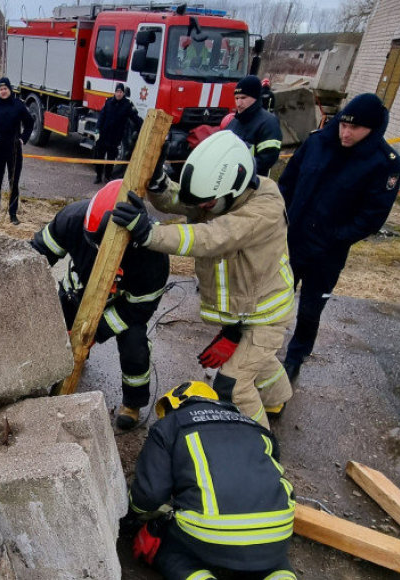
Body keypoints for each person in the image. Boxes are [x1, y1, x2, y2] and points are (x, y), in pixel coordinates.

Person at [112, 131, 293, 428]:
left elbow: (213, 236)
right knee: (257, 359)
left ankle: (261, 449)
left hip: (266, 313)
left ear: (235, 186)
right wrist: (158, 183)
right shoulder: (222, 195)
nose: (202, 209)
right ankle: (276, 399)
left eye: (208, 204)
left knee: (233, 384)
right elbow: (183, 200)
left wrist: (150, 234)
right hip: (244, 307)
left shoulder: (265, 208)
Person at [279, 93, 400, 382]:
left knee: (310, 308)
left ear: (372, 129)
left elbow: (372, 216)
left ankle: (295, 356)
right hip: (292, 240)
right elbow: (288, 183)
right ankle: (262, 347)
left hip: (328, 252)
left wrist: (334, 237)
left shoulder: (384, 163)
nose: (346, 133)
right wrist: (282, 220)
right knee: (274, 297)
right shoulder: (317, 142)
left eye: (355, 128)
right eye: (343, 125)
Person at [31, 179, 170, 430]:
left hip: (121, 307)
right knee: (56, 337)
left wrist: (95, 332)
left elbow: (139, 309)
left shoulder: (153, 256)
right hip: (76, 295)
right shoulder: (73, 219)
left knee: (134, 346)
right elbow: (37, 256)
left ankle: (133, 402)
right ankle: (63, 370)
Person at [125, 381, 297, 580]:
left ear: (176, 405)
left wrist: (134, 514)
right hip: (277, 529)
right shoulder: (255, 427)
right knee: (271, 560)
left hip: (210, 533)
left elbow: (149, 495)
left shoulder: (169, 426)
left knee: (171, 551)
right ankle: (280, 574)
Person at [0, 77, 34, 225]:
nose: (3, 91)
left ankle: (13, 215)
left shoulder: (18, 106)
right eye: (0, 89)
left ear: (10, 89)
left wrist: (23, 138)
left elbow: (30, 123)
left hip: (14, 152)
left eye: (5, 89)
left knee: (13, 183)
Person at [225, 75, 282, 177]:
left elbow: (267, 159)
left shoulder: (269, 123)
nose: (238, 103)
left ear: (255, 98)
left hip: (253, 183)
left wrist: (238, 170)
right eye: (236, 98)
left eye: (243, 98)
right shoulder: (234, 121)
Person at [94, 83, 143, 184]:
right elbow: (101, 116)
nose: (118, 94)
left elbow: (135, 118)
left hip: (115, 137)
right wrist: (97, 129)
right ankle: (98, 176)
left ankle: (107, 176)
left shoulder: (127, 105)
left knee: (111, 158)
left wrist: (143, 126)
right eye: (117, 91)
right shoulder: (108, 102)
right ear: (115, 92)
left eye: (120, 92)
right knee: (99, 157)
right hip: (104, 135)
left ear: (123, 93)